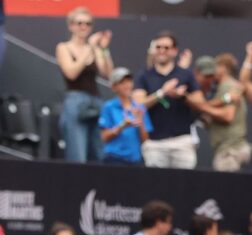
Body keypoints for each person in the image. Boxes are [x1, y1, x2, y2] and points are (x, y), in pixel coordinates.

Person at [132, 31, 204, 169]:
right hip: (155, 143)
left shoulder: (186, 74)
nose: (162, 51)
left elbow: (201, 103)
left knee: (185, 182)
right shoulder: (145, 75)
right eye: (158, 47)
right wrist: (161, 93)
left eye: (166, 47)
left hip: (182, 141)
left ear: (174, 51)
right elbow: (138, 104)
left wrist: (183, 96)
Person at [55, 7, 113, 163]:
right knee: (77, 154)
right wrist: (90, 49)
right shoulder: (64, 47)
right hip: (75, 101)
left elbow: (108, 73)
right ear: (71, 26)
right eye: (79, 23)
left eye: (88, 24)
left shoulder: (94, 49)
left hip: (95, 101)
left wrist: (104, 49)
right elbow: (71, 73)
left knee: (99, 154)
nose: (84, 27)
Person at [195, 54, 250, 172]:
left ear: (223, 68)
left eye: (216, 67)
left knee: (227, 183)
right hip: (231, 148)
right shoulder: (227, 87)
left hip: (230, 150)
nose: (213, 71)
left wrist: (201, 107)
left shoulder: (227, 86)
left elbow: (228, 116)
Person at [98, 67, 152, 165]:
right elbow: (104, 137)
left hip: (135, 160)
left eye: (129, 81)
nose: (127, 85)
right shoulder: (109, 107)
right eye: (122, 83)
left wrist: (140, 121)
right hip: (114, 159)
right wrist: (122, 126)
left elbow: (145, 140)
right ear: (114, 87)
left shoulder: (139, 108)